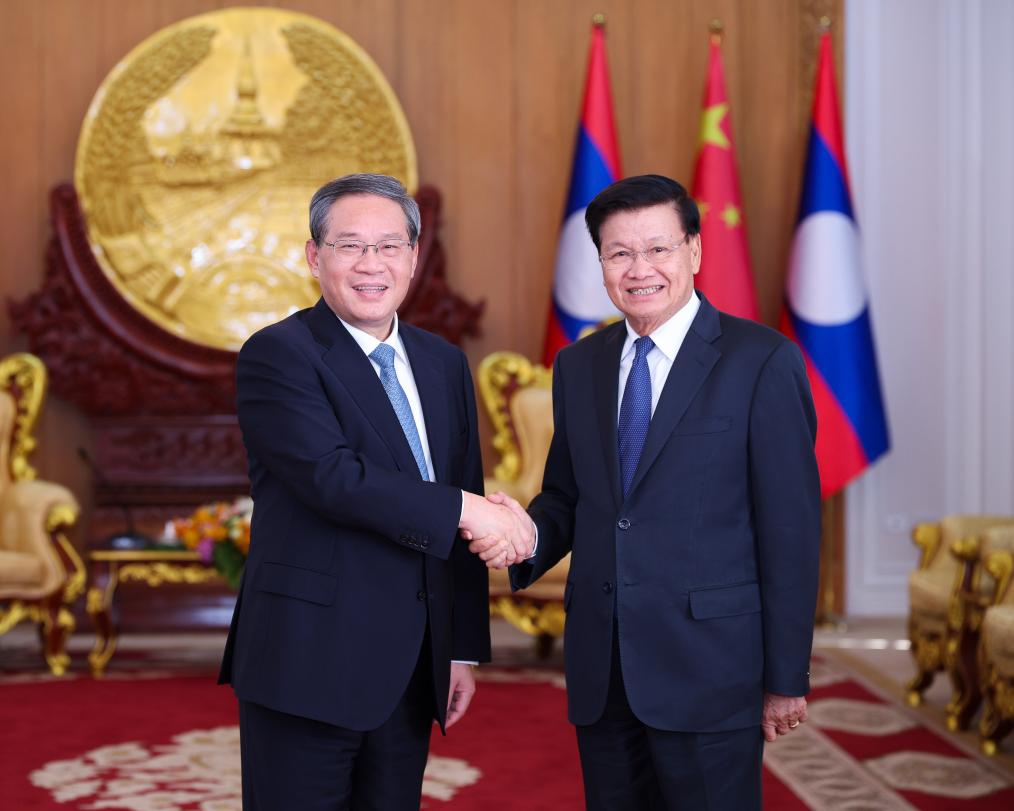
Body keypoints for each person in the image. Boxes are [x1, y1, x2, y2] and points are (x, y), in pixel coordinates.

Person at [473, 175, 821, 809]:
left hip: (711, 666)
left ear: (693, 251)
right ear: (601, 263)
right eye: (619, 253)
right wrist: (518, 535)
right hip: (603, 669)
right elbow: (567, 498)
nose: (640, 269)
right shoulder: (580, 366)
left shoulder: (762, 361)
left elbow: (790, 530)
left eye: (658, 249)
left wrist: (785, 675)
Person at [219, 173, 532, 810]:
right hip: (307, 659)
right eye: (350, 246)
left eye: (389, 246)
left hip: (412, 667)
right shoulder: (279, 355)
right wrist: (469, 511)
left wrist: (462, 648)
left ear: (414, 258)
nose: (372, 264)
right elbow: (334, 479)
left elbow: (461, 488)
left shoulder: (443, 362)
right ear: (315, 257)